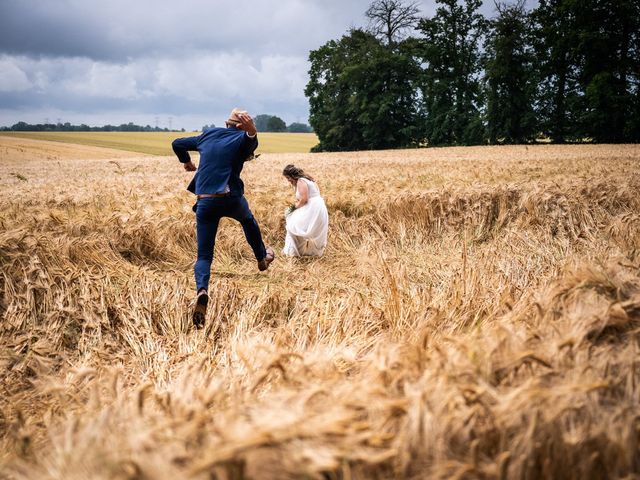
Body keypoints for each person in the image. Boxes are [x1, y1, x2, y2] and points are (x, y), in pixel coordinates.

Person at [172, 108, 275, 329]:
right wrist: (252, 132)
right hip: (230, 198)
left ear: (226, 123)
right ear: (241, 126)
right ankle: (261, 258)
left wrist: (187, 162)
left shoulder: (208, 135)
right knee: (248, 220)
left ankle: (202, 290)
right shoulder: (242, 138)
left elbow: (177, 143)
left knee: (204, 255)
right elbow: (250, 144)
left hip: (205, 201)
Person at [282, 164, 328, 257]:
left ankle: (293, 253)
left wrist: (292, 208)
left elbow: (304, 199)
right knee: (297, 228)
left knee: (292, 226)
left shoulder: (301, 181)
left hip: (312, 208)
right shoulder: (307, 179)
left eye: (288, 178)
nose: (288, 181)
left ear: (292, 175)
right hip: (316, 207)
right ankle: (302, 251)